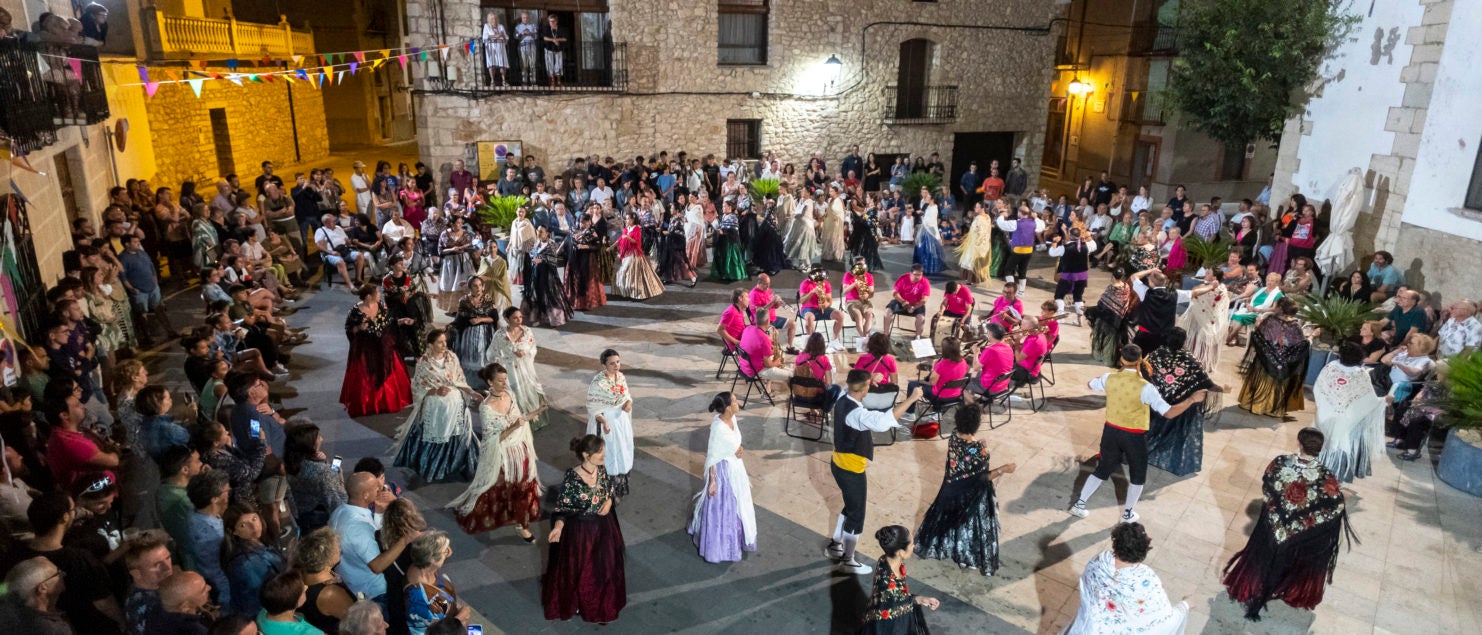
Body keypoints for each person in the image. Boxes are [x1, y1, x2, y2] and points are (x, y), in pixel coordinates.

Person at [1223, 427, 1350, 621]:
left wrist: (1275, 510)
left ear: (1299, 443)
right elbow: (1335, 505)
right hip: (1298, 535)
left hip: (1271, 526)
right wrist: (1305, 523)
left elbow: (1267, 486)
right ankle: (1288, 589)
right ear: (1320, 449)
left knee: (1262, 557)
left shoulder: (1280, 462)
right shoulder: (1326, 475)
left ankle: (1252, 587)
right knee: (1294, 559)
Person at [1069, 344, 1206, 523]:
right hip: (1133, 436)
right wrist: (1191, 399)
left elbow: (1090, 384)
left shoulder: (1109, 378)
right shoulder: (1146, 387)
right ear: (1140, 360)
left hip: (1110, 432)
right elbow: (1169, 413)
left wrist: (1104, 380)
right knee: (1138, 474)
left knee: (1102, 469)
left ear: (1121, 359)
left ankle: (1079, 504)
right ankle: (1128, 513)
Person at [825, 370, 923, 575]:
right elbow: (881, 422)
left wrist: (871, 378)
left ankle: (836, 545)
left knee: (850, 507)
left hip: (838, 463)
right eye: (869, 385)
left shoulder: (844, 396)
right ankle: (848, 560)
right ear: (864, 389)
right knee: (857, 514)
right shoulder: (856, 414)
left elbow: (854, 384)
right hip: (851, 470)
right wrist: (913, 398)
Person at [913, 404, 1013, 575]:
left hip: (950, 490)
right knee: (967, 527)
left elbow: (963, 457)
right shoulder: (979, 452)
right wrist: (1003, 469)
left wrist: (979, 446)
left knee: (947, 521)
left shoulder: (953, 437)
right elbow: (981, 478)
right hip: (969, 496)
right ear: (976, 425)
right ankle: (967, 557)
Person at [450, 362, 542, 540]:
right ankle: (506, 515)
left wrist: (531, 415)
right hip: (501, 453)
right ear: (490, 382)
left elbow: (519, 418)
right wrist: (514, 426)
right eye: (500, 381)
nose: (504, 383)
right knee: (499, 485)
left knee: (523, 485)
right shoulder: (486, 407)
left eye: (505, 379)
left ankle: (521, 524)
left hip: (519, 448)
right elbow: (493, 438)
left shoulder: (510, 395)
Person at [542, 435, 626, 624]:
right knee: (584, 571)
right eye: (599, 451)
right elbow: (562, 509)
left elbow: (609, 489)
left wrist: (609, 501)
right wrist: (558, 527)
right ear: (586, 455)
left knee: (604, 571)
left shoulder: (602, 470)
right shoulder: (572, 478)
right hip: (581, 533)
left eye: (603, 449)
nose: (604, 454)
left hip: (604, 529)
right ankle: (581, 605)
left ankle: (603, 608)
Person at [1063, 523, 1188, 634]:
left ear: (1115, 543)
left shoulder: (1100, 560)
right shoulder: (1146, 578)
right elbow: (1162, 619)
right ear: (1144, 550)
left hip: (1087, 628)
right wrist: (1185, 606)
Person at [391, 330, 478, 483]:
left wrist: (470, 391)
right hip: (435, 408)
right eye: (440, 342)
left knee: (459, 433)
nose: (444, 345)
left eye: (445, 341)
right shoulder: (424, 363)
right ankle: (433, 465)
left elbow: (459, 379)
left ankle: (458, 464)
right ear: (431, 345)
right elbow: (418, 387)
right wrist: (435, 390)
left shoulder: (452, 357)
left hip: (455, 407)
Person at [687, 393, 757, 563]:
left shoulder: (733, 420)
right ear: (727, 408)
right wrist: (712, 481)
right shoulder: (718, 428)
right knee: (724, 509)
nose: (737, 403)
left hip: (736, 469)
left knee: (740, 505)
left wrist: (740, 447)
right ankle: (720, 548)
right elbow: (712, 455)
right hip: (723, 472)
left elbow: (735, 442)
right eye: (734, 401)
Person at [1142, 328, 1218, 476]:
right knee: (1174, 431)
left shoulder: (1155, 355)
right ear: (1183, 341)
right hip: (1179, 407)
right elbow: (1204, 382)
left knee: (1152, 428)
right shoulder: (1190, 359)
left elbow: (1145, 375)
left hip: (1156, 403)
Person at [1313, 341, 1385, 483]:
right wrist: (1383, 401)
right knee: (1341, 445)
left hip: (1326, 416)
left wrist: (1326, 407)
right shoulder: (1360, 374)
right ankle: (1335, 478)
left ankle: (1317, 472)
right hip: (1348, 420)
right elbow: (1369, 400)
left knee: (1324, 443)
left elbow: (1318, 388)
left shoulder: (1330, 367)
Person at [340, 286, 413, 417]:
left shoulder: (381, 305)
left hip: (384, 346)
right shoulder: (355, 312)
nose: (380, 294)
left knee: (390, 370)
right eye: (377, 293)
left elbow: (389, 321)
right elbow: (349, 330)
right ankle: (369, 404)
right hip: (365, 349)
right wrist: (359, 328)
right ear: (368, 296)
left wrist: (401, 321)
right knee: (366, 376)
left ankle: (388, 402)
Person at [858, 525, 939, 633]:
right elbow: (896, 606)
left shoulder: (884, 559)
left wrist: (920, 599)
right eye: (911, 543)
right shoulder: (888, 585)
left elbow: (898, 597)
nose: (913, 546)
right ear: (900, 552)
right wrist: (917, 600)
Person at [1237, 298, 1310, 418]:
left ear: (1280, 309)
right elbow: (1300, 344)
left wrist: (1257, 325)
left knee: (1263, 378)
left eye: (1275, 305)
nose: (1274, 307)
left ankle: (1257, 404)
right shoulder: (1295, 326)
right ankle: (1274, 409)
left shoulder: (1269, 321)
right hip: (1284, 364)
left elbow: (1260, 338)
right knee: (1279, 383)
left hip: (1266, 360)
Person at [223, 502, 285, 618]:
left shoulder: (261, 541)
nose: (253, 526)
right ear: (234, 532)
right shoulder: (245, 564)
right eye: (243, 525)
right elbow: (258, 601)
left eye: (254, 518)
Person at [402, 531, 470, 635]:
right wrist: (462, 615)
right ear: (433, 560)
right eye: (445, 551)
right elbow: (441, 630)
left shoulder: (422, 564)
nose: (449, 552)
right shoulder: (420, 598)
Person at [285, 424, 348, 532]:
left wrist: (323, 462)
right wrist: (339, 476)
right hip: (321, 521)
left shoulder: (291, 463)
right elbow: (338, 502)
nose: (322, 439)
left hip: (301, 516)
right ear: (311, 444)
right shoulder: (324, 472)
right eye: (318, 437)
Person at [294, 528, 356, 633]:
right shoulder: (330, 594)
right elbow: (358, 622)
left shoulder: (305, 572)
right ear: (327, 557)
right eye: (337, 547)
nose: (340, 548)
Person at [187, 470, 233, 609]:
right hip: (221, 588)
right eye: (226, 490)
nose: (229, 492)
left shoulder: (194, 512)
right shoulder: (212, 534)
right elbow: (216, 568)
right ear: (214, 499)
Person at [1178, 268, 1229, 370]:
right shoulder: (1223, 288)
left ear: (1214, 277)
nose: (1205, 274)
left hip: (1206, 318)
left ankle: (1196, 361)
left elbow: (1195, 294)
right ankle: (1202, 361)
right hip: (1207, 319)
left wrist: (1204, 287)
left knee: (1200, 339)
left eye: (1209, 273)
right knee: (1200, 339)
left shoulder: (1212, 288)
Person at [122, 536, 173, 635]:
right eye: (157, 565)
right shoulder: (151, 609)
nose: (167, 567)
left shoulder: (152, 588)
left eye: (168, 558)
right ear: (136, 574)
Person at [613, 211, 665, 300]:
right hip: (626, 252)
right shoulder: (626, 229)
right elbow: (621, 239)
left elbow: (636, 242)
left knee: (631, 272)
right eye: (626, 219)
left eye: (628, 219)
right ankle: (626, 291)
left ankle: (638, 293)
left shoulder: (637, 228)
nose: (627, 220)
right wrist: (612, 246)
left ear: (633, 220)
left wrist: (628, 237)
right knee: (622, 271)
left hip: (634, 253)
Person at [1128, 267, 1178, 353]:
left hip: (1145, 337)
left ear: (1150, 282)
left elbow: (1133, 276)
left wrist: (1150, 270)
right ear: (1165, 282)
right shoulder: (1175, 295)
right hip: (1164, 337)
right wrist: (1210, 286)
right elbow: (1194, 292)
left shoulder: (1145, 292)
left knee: (1140, 359)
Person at [254, 571, 319, 635]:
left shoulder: (263, 611)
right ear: (294, 602)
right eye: (302, 590)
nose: (306, 587)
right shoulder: (308, 632)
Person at [797, 268, 847, 351]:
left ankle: (834, 341)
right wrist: (812, 292)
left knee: (840, 315)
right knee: (809, 317)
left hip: (822, 308)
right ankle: (812, 344)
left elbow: (829, 302)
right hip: (808, 309)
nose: (820, 281)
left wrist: (824, 304)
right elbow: (802, 301)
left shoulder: (826, 284)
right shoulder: (805, 283)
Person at [1049, 228, 1096, 316]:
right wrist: (1088, 236)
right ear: (1079, 235)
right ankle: (1080, 318)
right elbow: (1094, 245)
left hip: (1068, 276)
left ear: (1070, 236)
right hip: (1082, 276)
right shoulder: (1087, 246)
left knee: (1058, 296)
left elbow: (1052, 253)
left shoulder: (1065, 248)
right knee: (1078, 298)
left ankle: (1061, 315)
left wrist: (1054, 242)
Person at [882, 264, 931, 337]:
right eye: (915, 274)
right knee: (887, 312)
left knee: (921, 318)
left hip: (916, 304)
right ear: (911, 273)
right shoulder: (903, 278)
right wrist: (903, 302)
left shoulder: (925, 282)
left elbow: (924, 300)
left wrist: (914, 307)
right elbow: (895, 293)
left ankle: (917, 338)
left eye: (920, 275)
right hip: (901, 301)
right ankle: (885, 335)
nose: (918, 277)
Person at [912, 189, 946, 274]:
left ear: (932, 199)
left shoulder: (935, 207)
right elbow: (921, 214)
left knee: (930, 249)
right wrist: (918, 213)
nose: (926, 198)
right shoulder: (925, 206)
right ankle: (921, 266)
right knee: (921, 248)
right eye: (926, 197)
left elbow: (932, 220)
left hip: (930, 229)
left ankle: (930, 267)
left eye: (928, 197)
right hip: (924, 229)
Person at [481, 11, 509, 86]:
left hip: (501, 48)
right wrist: (495, 36)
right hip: (491, 48)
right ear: (489, 20)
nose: (494, 20)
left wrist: (503, 35)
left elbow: (506, 37)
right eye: (492, 19)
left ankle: (503, 80)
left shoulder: (501, 26)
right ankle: (492, 81)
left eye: (495, 19)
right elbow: (485, 37)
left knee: (502, 64)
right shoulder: (487, 26)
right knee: (492, 64)